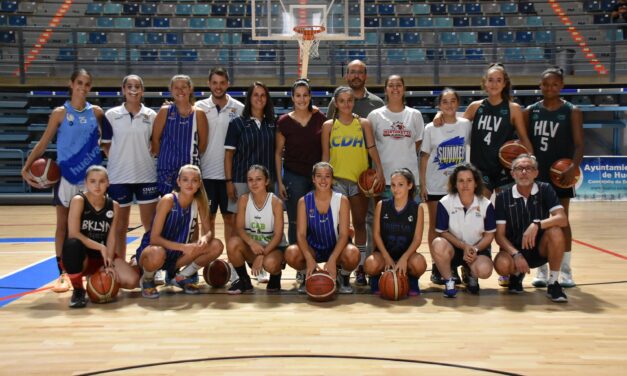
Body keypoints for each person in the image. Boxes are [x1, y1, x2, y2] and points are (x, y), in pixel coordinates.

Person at [433, 63, 533, 287]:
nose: (494, 84)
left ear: (505, 83)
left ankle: (513, 269)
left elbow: (524, 139)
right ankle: (473, 261)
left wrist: (530, 161)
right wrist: (441, 114)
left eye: (499, 80)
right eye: (490, 80)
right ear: (484, 83)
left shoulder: (513, 108)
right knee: (477, 217)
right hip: (481, 171)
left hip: (506, 171)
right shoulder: (476, 107)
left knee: (510, 219)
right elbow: (456, 122)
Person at [21, 68, 104, 293]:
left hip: (90, 179)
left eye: (87, 84)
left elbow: (106, 142)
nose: (83, 87)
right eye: (79, 82)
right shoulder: (59, 113)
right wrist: (27, 166)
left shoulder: (96, 112)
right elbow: (44, 141)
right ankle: (63, 273)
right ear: (71, 83)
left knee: (88, 227)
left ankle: (87, 268)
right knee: (63, 227)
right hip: (66, 175)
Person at [524, 67, 584, 288]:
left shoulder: (572, 111)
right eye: (546, 84)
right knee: (538, 221)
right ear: (540, 86)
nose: (550, 88)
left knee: (563, 220)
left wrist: (573, 168)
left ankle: (566, 271)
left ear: (561, 86)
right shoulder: (531, 111)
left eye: (554, 84)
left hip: (561, 175)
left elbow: (579, 145)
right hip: (536, 175)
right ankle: (541, 269)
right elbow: (524, 142)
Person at [327, 59, 384, 286]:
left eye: (360, 72)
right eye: (352, 72)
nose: (356, 75)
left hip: (362, 178)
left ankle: (362, 265)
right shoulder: (331, 118)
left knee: (363, 223)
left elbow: (374, 145)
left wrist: (378, 170)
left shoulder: (374, 106)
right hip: (338, 178)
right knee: (339, 226)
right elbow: (326, 149)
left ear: (366, 75)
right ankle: (340, 266)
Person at [136, 165, 224, 298]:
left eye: (194, 180)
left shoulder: (199, 201)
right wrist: (184, 247)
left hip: (176, 255)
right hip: (154, 251)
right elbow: (154, 239)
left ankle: (181, 277)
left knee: (216, 245)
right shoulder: (168, 200)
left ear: (199, 184)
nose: (190, 184)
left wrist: (205, 238)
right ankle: (147, 279)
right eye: (185, 180)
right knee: (156, 252)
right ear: (178, 182)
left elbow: (208, 232)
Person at [493, 154, 569, 303]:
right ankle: (515, 275)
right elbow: (499, 236)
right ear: (512, 173)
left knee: (555, 231)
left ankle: (553, 282)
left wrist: (537, 224)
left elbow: (562, 219)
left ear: (536, 173)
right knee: (501, 264)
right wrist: (516, 255)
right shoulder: (503, 196)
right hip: (514, 251)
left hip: (540, 249)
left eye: (529, 168)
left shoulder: (545, 189)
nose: (524, 172)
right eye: (519, 169)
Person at [62, 166, 139, 308]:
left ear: (108, 183)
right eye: (92, 181)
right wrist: (100, 246)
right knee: (71, 245)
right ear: (86, 182)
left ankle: (98, 276)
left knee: (132, 281)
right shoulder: (79, 200)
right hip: (82, 256)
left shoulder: (114, 205)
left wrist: (108, 263)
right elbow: (74, 233)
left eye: (102, 181)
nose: (97, 186)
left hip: (103, 256)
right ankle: (78, 290)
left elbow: (111, 236)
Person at [224, 81, 277, 283]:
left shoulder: (273, 123)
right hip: (240, 179)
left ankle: (260, 262)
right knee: (237, 224)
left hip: (265, 182)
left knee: (262, 225)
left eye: (263, 95)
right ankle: (235, 265)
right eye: (256, 95)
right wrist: (229, 181)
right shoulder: (237, 123)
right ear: (249, 98)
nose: (259, 99)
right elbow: (228, 155)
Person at [101, 74, 158, 259]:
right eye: (130, 86)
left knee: (150, 224)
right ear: (123, 90)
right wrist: (119, 159)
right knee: (119, 226)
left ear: (142, 90)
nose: (133, 89)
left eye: (137, 86)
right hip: (119, 177)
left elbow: (155, 145)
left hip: (146, 175)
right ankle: (120, 264)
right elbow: (106, 144)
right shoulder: (111, 115)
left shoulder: (152, 115)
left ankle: (151, 265)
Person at [420, 88, 471, 286]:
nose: (449, 105)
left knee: (457, 228)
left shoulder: (466, 125)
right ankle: (436, 266)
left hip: (459, 186)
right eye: (445, 102)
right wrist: (423, 184)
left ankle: (456, 265)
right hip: (435, 184)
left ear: (458, 104)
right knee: (435, 226)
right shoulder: (431, 128)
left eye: (452, 101)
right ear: (439, 106)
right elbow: (424, 156)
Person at [285, 162, 360, 294]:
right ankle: (305, 275)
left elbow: (343, 235)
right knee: (291, 252)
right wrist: (308, 258)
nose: (323, 180)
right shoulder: (304, 201)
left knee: (353, 253)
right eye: (319, 176)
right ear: (313, 179)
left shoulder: (342, 200)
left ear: (332, 179)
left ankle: (343, 276)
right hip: (313, 248)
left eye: (327, 176)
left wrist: (332, 259)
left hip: (336, 247)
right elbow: (301, 235)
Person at [431, 164, 495, 298]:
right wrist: (463, 246)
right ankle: (449, 281)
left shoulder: (486, 204)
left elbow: (489, 235)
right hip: (454, 248)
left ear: (476, 183)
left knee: (485, 270)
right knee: (438, 243)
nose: (465, 184)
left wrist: (475, 249)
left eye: (469, 180)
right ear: (455, 184)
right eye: (461, 180)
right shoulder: (445, 203)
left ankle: (470, 273)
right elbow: (442, 232)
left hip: (476, 249)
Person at [275, 79, 326, 246]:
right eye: (298, 95)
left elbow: (326, 149)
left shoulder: (320, 118)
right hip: (293, 176)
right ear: (292, 97)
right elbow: (277, 153)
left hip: (317, 178)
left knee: (317, 220)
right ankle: (299, 264)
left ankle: (315, 259)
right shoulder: (284, 121)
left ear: (310, 97)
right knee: (295, 221)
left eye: (305, 95)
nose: (302, 99)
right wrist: (280, 182)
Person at [196, 68, 244, 242]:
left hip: (230, 176)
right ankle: (208, 264)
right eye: (214, 82)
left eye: (222, 82)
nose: (218, 86)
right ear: (209, 84)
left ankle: (232, 265)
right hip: (206, 174)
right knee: (207, 220)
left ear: (228, 84)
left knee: (230, 220)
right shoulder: (199, 107)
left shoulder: (239, 108)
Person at [226, 165, 287, 294]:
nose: (254, 183)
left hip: (273, 248)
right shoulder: (243, 200)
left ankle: (275, 276)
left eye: (258, 179)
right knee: (233, 243)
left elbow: (277, 236)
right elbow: (240, 228)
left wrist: (262, 255)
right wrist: (251, 243)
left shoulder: (276, 203)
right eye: (250, 179)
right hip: (254, 248)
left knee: (270, 263)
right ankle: (244, 281)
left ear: (267, 181)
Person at [365, 168, 427, 295]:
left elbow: (417, 239)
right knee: (370, 264)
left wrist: (404, 258)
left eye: (400, 185)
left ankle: (412, 280)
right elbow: (376, 234)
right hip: (384, 254)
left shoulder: (417, 208)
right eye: (393, 185)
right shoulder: (382, 205)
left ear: (409, 185)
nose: (396, 189)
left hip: (407, 255)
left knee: (420, 263)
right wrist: (386, 257)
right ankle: (375, 279)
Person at [152, 75, 208, 196]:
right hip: (166, 170)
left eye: (184, 87)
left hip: (190, 170)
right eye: (176, 87)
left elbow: (202, 145)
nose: (180, 91)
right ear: (171, 90)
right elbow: (155, 140)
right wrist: (165, 159)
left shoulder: (199, 113)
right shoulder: (165, 110)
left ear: (190, 89)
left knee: (189, 210)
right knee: (168, 209)